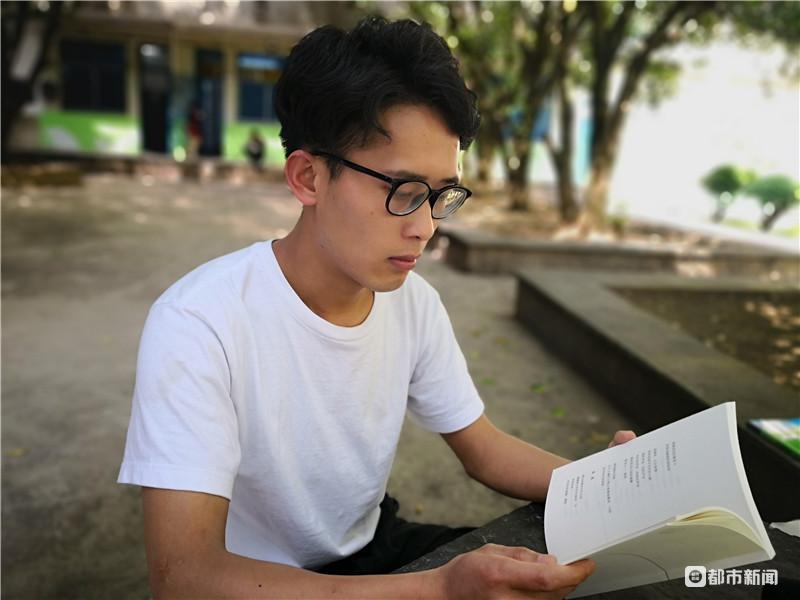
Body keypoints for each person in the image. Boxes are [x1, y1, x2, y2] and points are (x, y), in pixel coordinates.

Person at [118, 16, 635, 599]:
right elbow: (185, 579)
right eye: (404, 192)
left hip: (374, 547)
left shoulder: (414, 304)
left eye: (441, 195)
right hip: (255, 581)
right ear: (309, 177)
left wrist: (602, 485)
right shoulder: (200, 323)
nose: (426, 227)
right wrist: (440, 589)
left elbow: (483, 448)